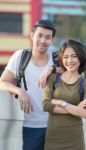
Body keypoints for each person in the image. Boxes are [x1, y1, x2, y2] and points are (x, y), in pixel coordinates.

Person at [0, 19, 60, 150]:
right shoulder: (20, 56)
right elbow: (2, 82)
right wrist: (19, 91)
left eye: (48, 37)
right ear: (32, 35)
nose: (43, 41)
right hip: (31, 126)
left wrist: (51, 69)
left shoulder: (57, 59)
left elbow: (79, 72)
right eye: (40, 35)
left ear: (52, 40)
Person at [43, 39, 86, 150]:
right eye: (65, 57)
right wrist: (75, 108)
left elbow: (85, 113)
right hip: (53, 139)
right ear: (61, 59)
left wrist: (61, 103)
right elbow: (46, 105)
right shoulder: (52, 78)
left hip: (75, 140)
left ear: (80, 57)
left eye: (74, 56)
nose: (69, 60)